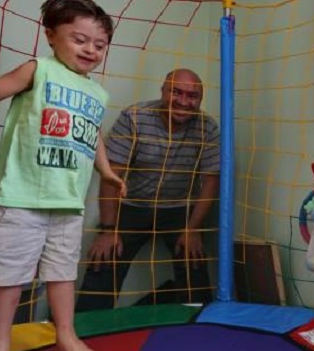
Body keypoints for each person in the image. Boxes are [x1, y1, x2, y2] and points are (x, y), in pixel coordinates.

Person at [0, 0, 125, 351]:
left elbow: (92, 134)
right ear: (51, 35)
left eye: (100, 45)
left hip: (68, 201)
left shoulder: (97, 93)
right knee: (10, 274)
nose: (91, 50)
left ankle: (65, 332)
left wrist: (106, 171)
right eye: (79, 40)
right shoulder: (39, 70)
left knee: (62, 272)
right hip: (21, 196)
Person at [75, 68, 220, 311]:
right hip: (132, 205)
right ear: (163, 91)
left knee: (193, 259)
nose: (183, 101)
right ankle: (86, 324)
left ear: (200, 99)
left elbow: (211, 183)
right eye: (176, 92)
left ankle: (197, 324)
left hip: (180, 209)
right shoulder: (134, 117)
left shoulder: (208, 128)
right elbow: (112, 177)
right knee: (105, 257)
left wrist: (193, 228)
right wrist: (109, 230)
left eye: (192, 96)